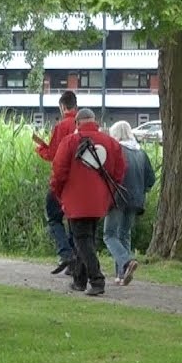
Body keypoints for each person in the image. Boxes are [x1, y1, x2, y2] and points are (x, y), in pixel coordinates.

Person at [50, 108, 126, 297]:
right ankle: (79, 280)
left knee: (81, 240)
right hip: (99, 200)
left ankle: (97, 280)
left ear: (77, 123)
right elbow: (119, 172)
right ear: (96, 122)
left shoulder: (69, 142)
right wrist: (108, 194)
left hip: (76, 199)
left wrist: (59, 193)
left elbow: (58, 172)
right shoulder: (111, 143)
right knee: (87, 239)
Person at [103, 121, 157, 286]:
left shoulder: (117, 150)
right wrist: (142, 190)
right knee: (124, 234)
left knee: (109, 234)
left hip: (118, 197)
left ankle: (126, 261)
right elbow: (151, 178)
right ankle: (121, 275)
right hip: (136, 199)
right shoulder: (140, 153)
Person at [34, 91, 79, 275]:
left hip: (62, 180)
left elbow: (53, 154)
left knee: (54, 217)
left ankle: (66, 253)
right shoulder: (81, 124)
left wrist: (40, 148)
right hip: (81, 181)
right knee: (75, 220)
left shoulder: (62, 126)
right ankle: (75, 258)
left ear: (62, 106)